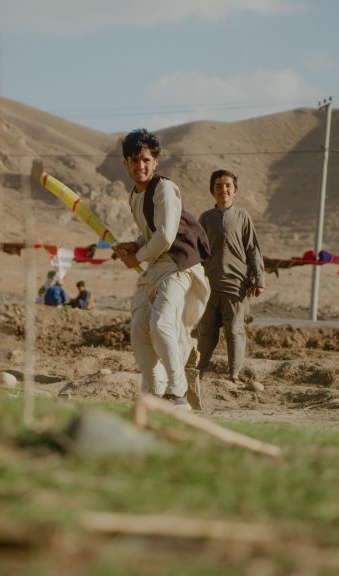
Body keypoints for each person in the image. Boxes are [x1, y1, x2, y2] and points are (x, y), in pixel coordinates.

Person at [114, 129, 210, 410]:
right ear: (125, 163)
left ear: (155, 161)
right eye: (134, 160)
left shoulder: (165, 189)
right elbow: (152, 232)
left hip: (181, 263)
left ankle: (177, 392)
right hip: (158, 265)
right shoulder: (134, 196)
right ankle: (154, 392)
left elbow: (167, 236)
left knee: (161, 324)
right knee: (139, 328)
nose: (139, 166)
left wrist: (138, 257)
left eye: (145, 159)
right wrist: (134, 245)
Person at [196, 169, 266, 382]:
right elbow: (197, 250)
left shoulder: (243, 216)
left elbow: (252, 248)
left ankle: (233, 375)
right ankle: (198, 371)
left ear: (235, 191)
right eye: (218, 185)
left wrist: (259, 278)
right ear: (212, 190)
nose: (223, 189)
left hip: (236, 284)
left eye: (228, 185)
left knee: (234, 331)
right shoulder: (206, 218)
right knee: (206, 331)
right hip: (208, 284)